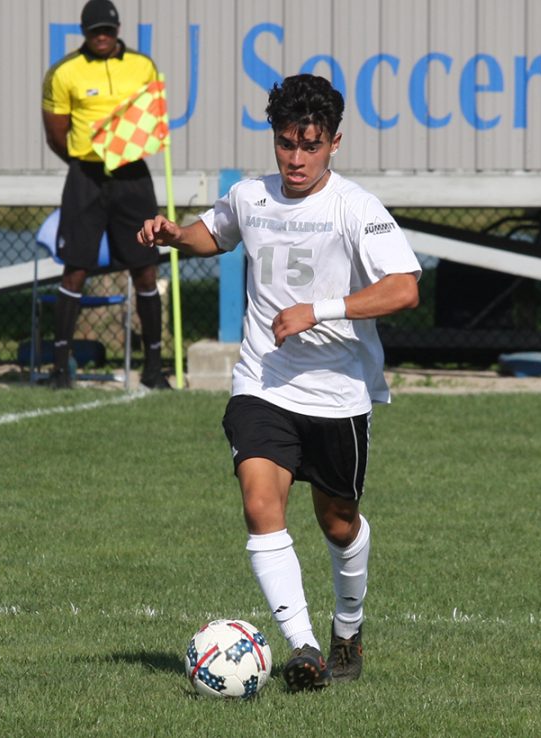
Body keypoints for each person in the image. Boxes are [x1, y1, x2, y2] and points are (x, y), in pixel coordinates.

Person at [138, 74, 421, 691]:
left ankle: (348, 628)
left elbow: (404, 288)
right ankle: (306, 647)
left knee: (338, 521)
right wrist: (173, 234)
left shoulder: (355, 208)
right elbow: (213, 234)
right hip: (263, 383)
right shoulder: (249, 196)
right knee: (260, 505)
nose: (295, 158)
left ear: (334, 143)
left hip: (338, 393)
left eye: (310, 145)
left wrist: (319, 310)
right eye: (286, 144)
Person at [41, 0, 169, 389]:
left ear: (117, 31)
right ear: (84, 32)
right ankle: (60, 368)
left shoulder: (142, 66)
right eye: (95, 31)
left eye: (108, 31)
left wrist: (123, 154)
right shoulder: (64, 72)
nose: (102, 37)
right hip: (87, 177)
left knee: (145, 267)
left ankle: (153, 368)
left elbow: (151, 117)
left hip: (133, 177)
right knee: (76, 267)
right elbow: (56, 134)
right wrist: (87, 161)